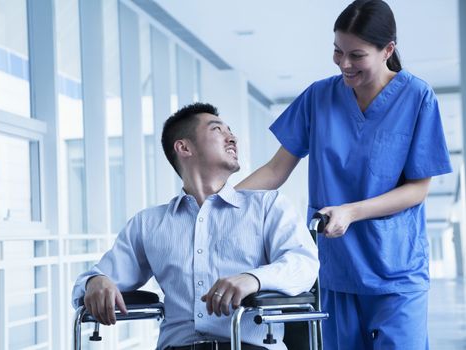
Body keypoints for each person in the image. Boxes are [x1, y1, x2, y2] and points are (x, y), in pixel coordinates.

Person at [236, 1, 452, 349]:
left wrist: (351, 211)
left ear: (388, 50)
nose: (345, 64)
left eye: (357, 55)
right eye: (338, 52)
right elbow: (277, 169)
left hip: (396, 270)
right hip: (336, 268)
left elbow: (417, 190)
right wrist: (218, 202)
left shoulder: (417, 97)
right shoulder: (319, 96)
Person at [72, 102, 319, 350]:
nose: (232, 137)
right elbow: (92, 280)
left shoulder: (267, 205)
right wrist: (96, 281)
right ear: (184, 147)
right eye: (217, 130)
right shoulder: (148, 224)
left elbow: (304, 264)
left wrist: (252, 279)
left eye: (230, 131)